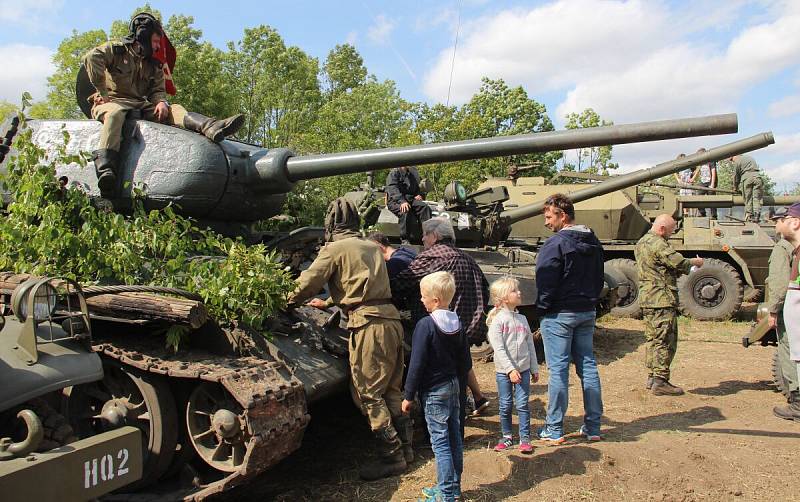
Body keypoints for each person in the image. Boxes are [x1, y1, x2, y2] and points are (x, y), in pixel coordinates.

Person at [287, 198, 409, 480]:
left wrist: (282, 299)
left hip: (366, 324)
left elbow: (307, 283)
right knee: (391, 389)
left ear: (331, 223)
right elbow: (363, 282)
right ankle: (406, 449)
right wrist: (331, 301)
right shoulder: (371, 246)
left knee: (367, 393)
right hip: (390, 319)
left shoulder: (334, 249)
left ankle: (391, 457)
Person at [82, 12, 244, 198]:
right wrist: (102, 92)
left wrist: (160, 102)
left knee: (174, 108)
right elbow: (91, 57)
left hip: (138, 104)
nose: (158, 46)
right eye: (156, 41)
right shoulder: (118, 50)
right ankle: (106, 168)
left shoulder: (154, 64)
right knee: (115, 114)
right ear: (142, 36)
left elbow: (157, 90)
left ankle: (210, 127)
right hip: (111, 100)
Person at [393, 217, 491, 436]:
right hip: (463, 330)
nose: (423, 239)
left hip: (437, 332)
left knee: (435, 386)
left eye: (425, 235)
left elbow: (401, 282)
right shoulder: (467, 258)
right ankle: (457, 434)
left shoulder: (434, 255)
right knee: (458, 382)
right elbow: (485, 288)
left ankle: (436, 437)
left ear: (434, 236)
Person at [534, 193, 605, 443]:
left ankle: (554, 429)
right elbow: (600, 277)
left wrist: (541, 310)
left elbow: (545, 282)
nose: (546, 222)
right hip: (586, 311)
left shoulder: (555, 245)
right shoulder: (594, 242)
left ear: (563, 216)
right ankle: (593, 426)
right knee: (587, 367)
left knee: (558, 371)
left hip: (559, 315)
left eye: (549, 216)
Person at [402, 271, 467, 502]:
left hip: (434, 391)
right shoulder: (458, 322)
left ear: (435, 300)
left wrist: (408, 394)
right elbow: (466, 362)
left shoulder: (425, 325)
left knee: (440, 444)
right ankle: (453, 487)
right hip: (453, 386)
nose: (421, 300)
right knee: (454, 439)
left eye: (423, 296)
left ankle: (445, 495)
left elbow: (416, 363)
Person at [635, 214, 704, 396]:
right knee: (665, 340)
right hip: (661, 299)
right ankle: (660, 380)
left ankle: (653, 376)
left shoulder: (642, 241)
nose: (672, 234)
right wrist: (695, 263)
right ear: (662, 229)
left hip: (649, 298)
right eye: (672, 230)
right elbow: (678, 262)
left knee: (653, 338)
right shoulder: (658, 243)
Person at [486, 276, 538, 454]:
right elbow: (498, 349)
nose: (519, 292)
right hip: (504, 372)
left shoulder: (522, 319)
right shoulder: (498, 321)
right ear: (504, 298)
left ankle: (525, 439)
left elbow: (530, 344)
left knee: (523, 404)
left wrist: (534, 367)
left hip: (523, 370)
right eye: (515, 290)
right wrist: (509, 370)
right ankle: (507, 436)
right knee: (506, 404)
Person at [769, 206, 800, 419]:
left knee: (790, 351)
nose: (776, 224)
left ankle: (797, 401)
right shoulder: (793, 248)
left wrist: (772, 310)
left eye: (780, 219)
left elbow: (780, 283)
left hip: (790, 310)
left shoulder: (783, 247)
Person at [386, 166, 432, 243]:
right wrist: (402, 201)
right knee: (405, 210)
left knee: (424, 208)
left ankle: (427, 236)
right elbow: (392, 189)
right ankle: (405, 239)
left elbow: (416, 189)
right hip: (395, 201)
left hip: (410, 199)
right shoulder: (394, 173)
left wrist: (418, 195)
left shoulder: (411, 174)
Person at [730, 154, 764, 222]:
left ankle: (749, 216)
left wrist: (735, 188)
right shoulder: (749, 157)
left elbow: (736, 177)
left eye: (731, 160)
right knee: (757, 198)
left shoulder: (737, 161)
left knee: (748, 199)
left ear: (733, 156)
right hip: (757, 177)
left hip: (747, 178)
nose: (732, 162)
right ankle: (757, 216)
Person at [694, 148, 717, 217]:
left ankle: (714, 215)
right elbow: (697, 171)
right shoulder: (700, 162)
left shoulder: (711, 161)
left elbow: (713, 172)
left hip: (710, 182)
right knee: (698, 196)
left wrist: (712, 184)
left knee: (712, 199)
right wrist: (693, 178)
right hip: (702, 182)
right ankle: (702, 212)